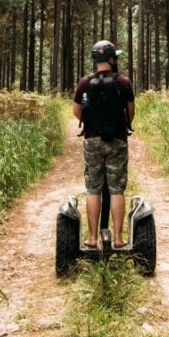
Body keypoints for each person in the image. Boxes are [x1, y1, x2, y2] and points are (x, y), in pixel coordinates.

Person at [73, 40, 135, 249]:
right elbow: (131, 112)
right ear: (110, 59)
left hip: (92, 140)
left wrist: (91, 124)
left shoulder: (84, 82)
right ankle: (117, 239)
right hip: (117, 140)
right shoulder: (123, 81)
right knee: (116, 189)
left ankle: (92, 238)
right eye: (115, 56)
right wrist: (124, 125)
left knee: (93, 189)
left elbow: (76, 111)